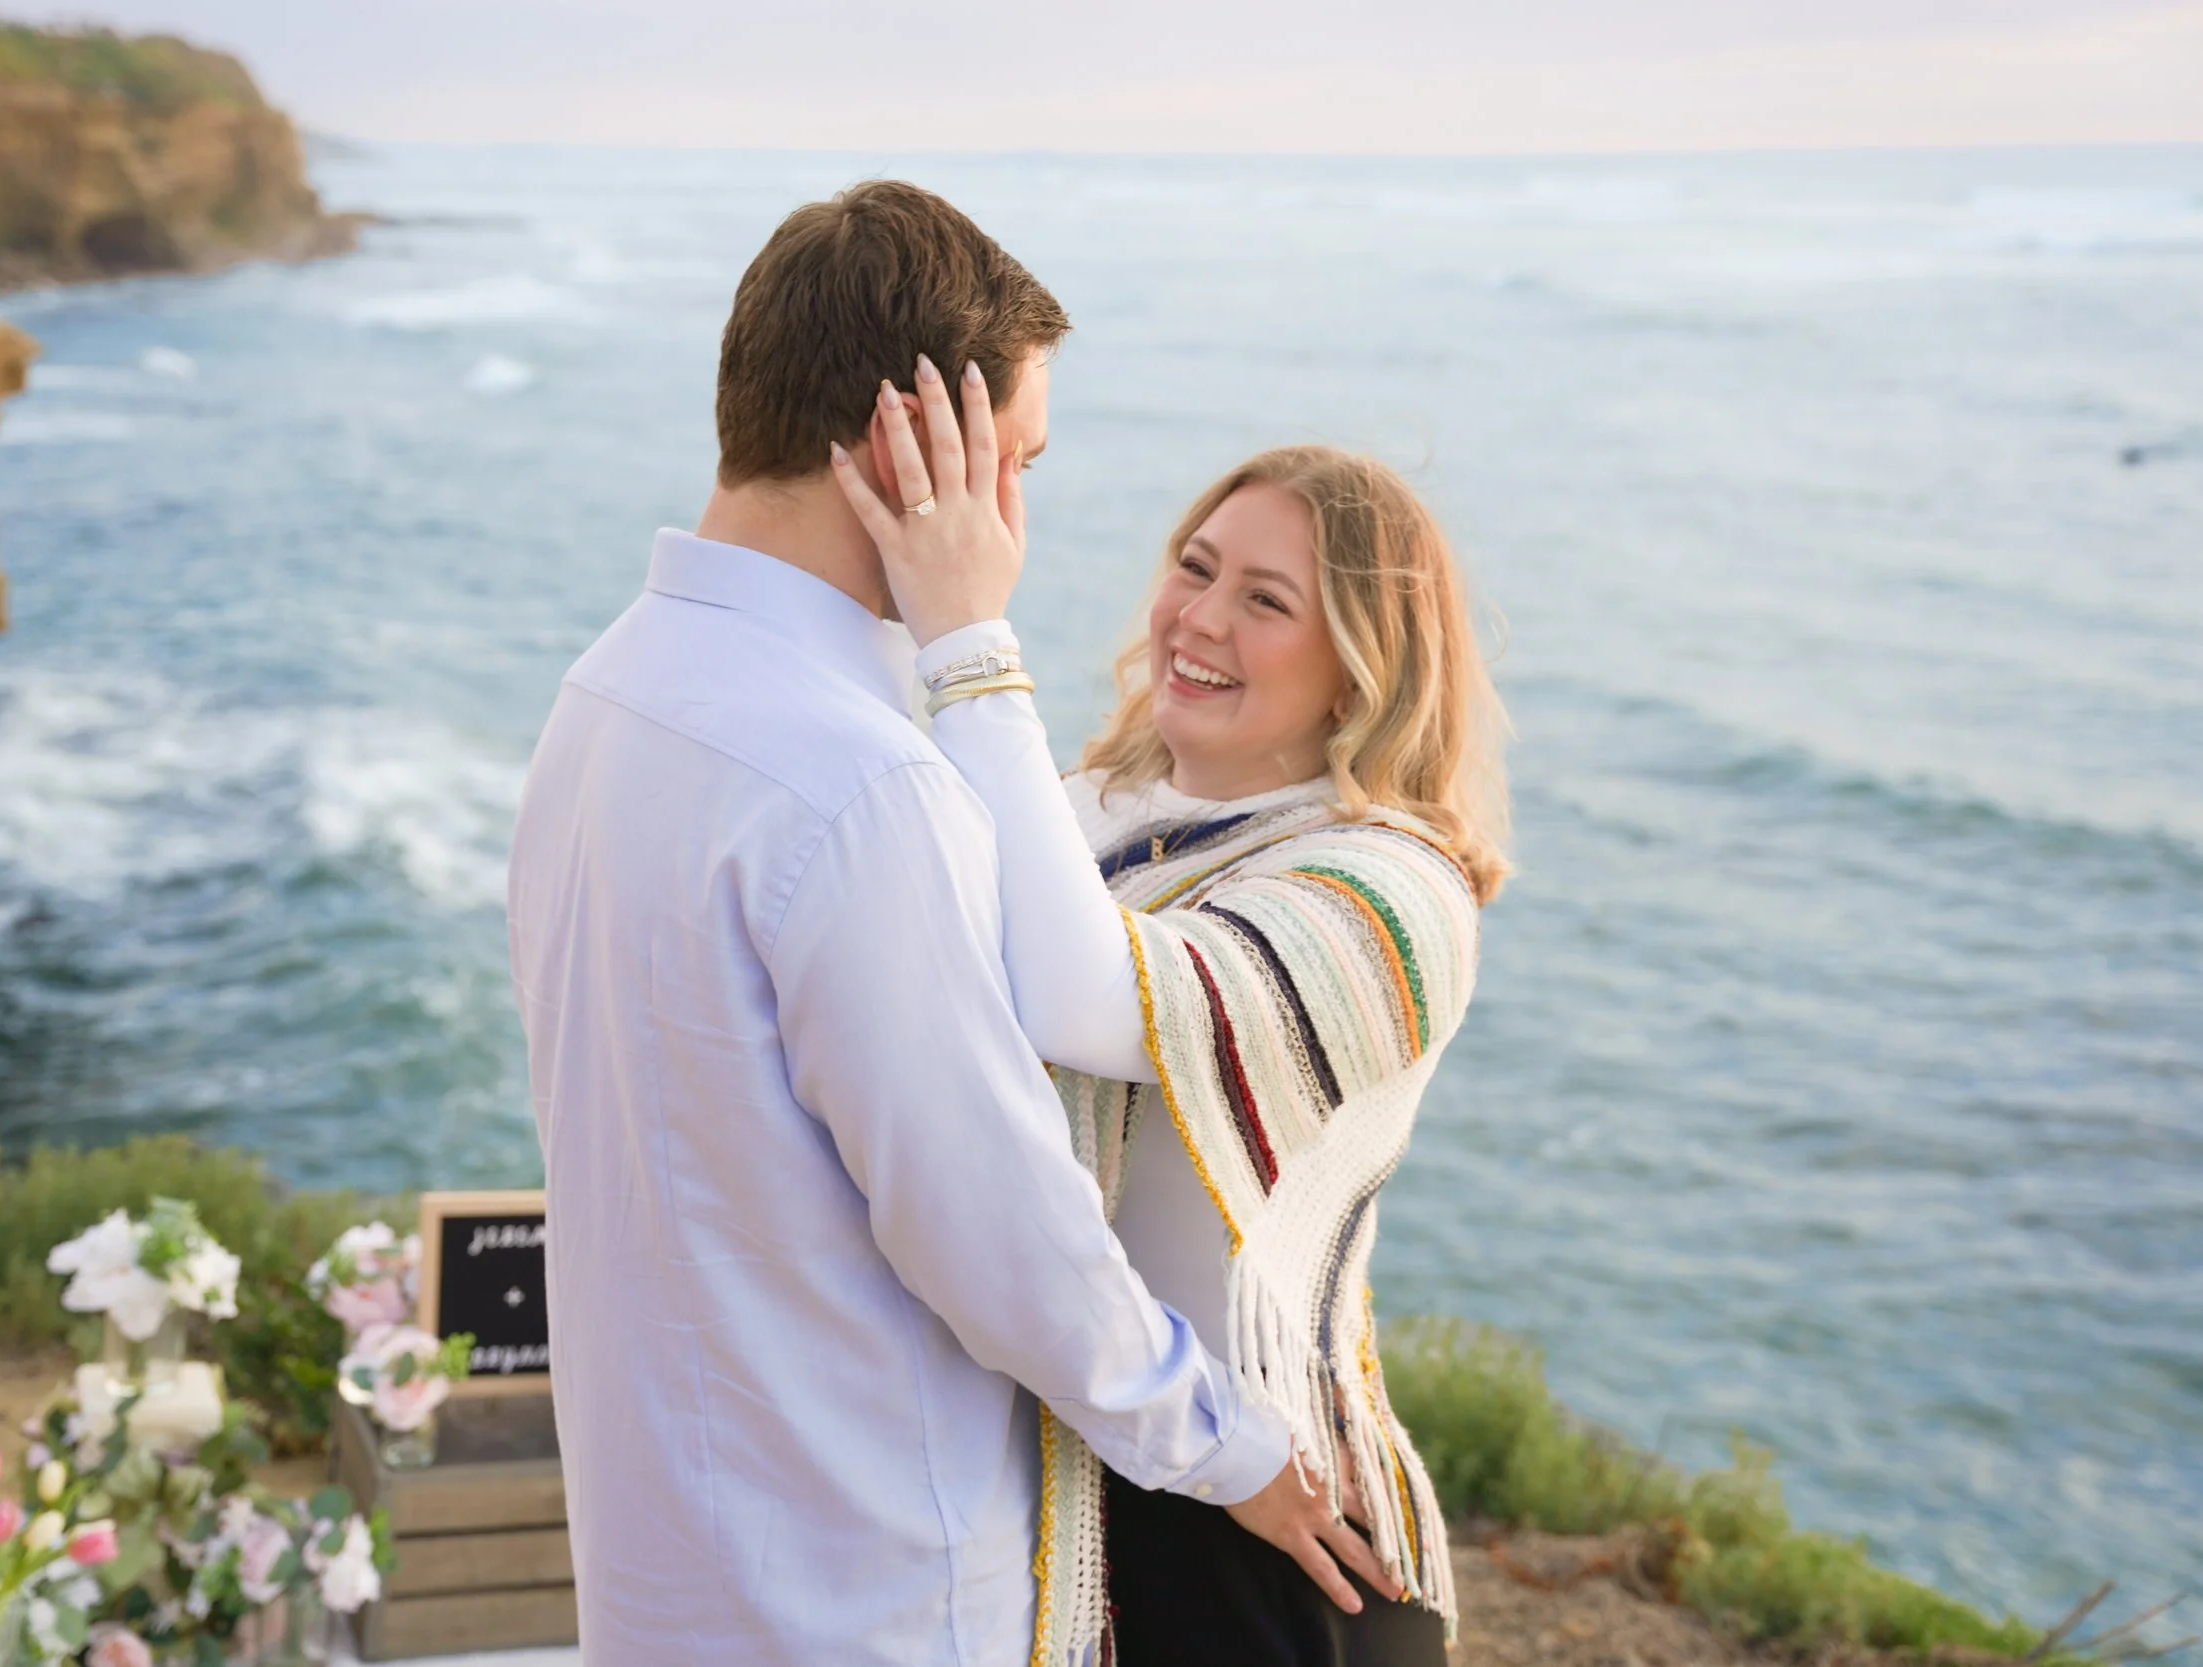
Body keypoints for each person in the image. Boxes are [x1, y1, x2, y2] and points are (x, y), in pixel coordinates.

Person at [506, 181, 1390, 1667]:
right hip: (860, 1579)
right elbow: (996, 1228)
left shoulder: (604, 692)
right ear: (910, 447)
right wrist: (1226, 1443)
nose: (1020, 514)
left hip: (664, 1560)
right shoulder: (858, 783)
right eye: (1018, 461)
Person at [833, 387, 1510, 1665]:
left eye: (1267, 600)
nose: (1200, 618)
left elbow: (1084, 997)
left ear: (1364, 662)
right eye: (1195, 568)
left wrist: (967, 634)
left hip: (1269, 1534)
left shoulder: (1394, 896)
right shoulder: (1096, 806)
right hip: (1076, 1489)